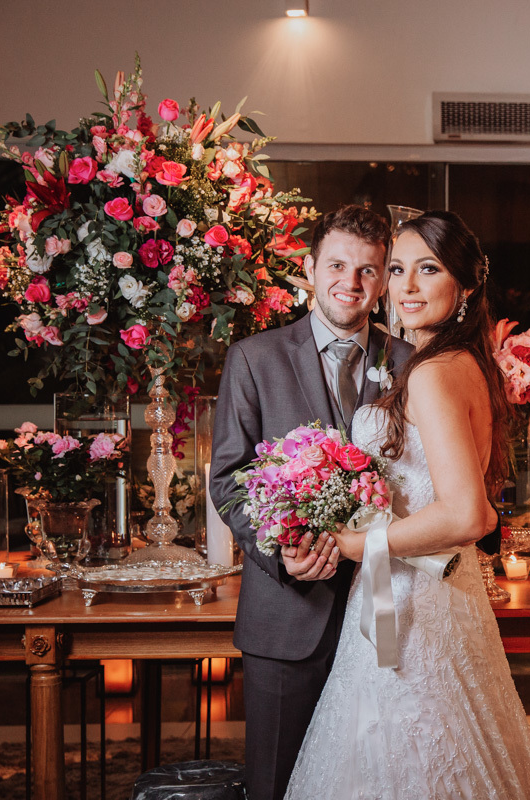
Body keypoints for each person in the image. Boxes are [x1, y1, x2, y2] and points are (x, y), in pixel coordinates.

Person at [286, 211, 530, 799]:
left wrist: (359, 543)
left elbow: (468, 514)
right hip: (437, 595)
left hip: (414, 606)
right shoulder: (463, 366)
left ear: (464, 288)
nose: (405, 287)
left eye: (427, 270)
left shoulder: (433, 374)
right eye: (398, 270)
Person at [210, 205, 414, 800]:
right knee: (278, 784)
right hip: (286, 613)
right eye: (337, 265)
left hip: (388, 610)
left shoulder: (410, 366)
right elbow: (229, 478)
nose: (350, 283)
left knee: (378, 780)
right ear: (309, 268)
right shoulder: (254, 358)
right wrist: (282, 553)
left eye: (368, 271)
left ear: (382, 281)